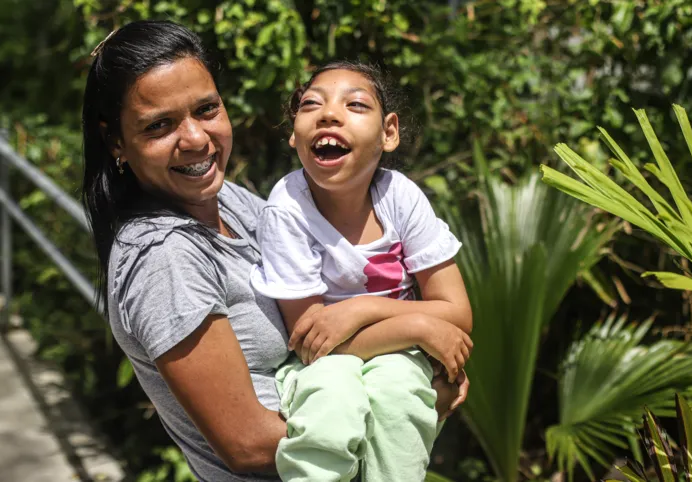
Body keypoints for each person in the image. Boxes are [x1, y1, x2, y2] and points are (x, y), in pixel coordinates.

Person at [81, 20, 469, 482]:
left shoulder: (229, 201)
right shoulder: (164, 258)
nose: (196, 139)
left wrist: (409, 380)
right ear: (116, 142)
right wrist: (416, 399)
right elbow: (247, 445)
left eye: (206, 109)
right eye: (159, 125)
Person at [250, 61, 473, 481]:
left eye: (355, 104)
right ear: (294, 133)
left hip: (398, 356)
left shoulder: (400, 197)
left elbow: (457, 312)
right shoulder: (287, 208)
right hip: (321, 363)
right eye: (311, 104)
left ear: (389, 132)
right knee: (332, 400)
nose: (329, 114)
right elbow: (312, 342)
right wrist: (421, 328)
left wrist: (362, 309)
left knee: (400, 395)